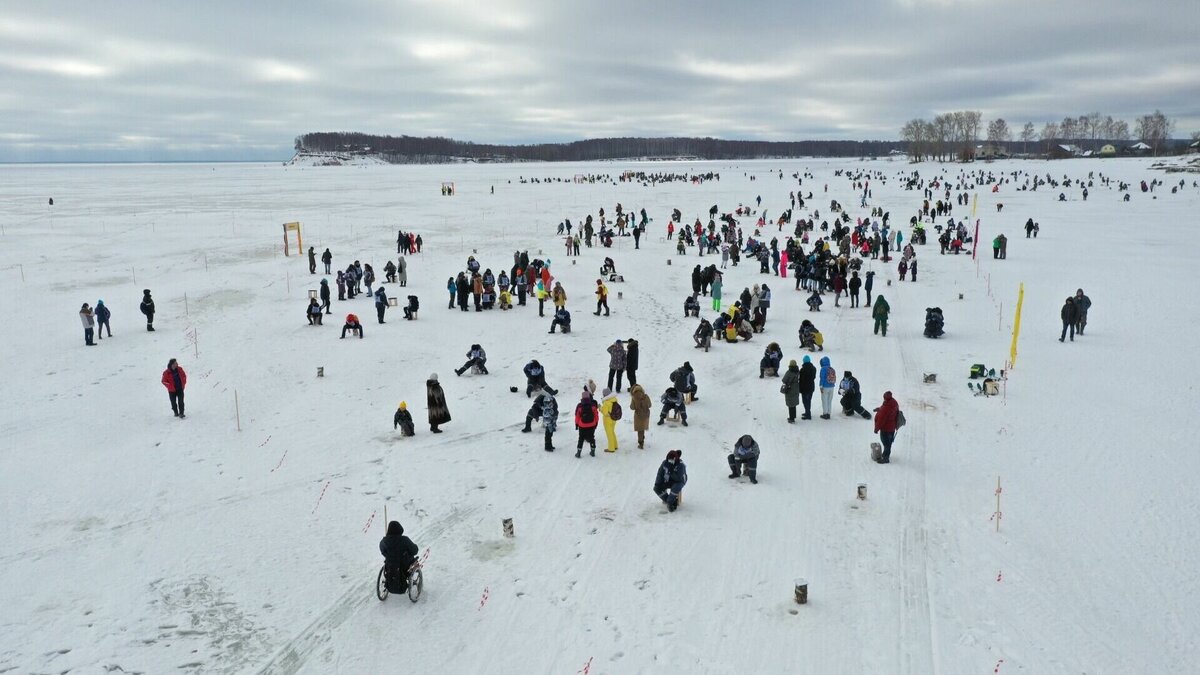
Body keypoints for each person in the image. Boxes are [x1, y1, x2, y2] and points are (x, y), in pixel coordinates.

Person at [379, 521, 419, 592]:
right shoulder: (405, 540)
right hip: (405, 566)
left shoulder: (384, 541)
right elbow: (414, 551)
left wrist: (388, 556)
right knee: (413, 560)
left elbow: (382, 550)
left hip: (390, 565)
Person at [873, 391, 901, 464]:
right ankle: (886, 454)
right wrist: (879, 409)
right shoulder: (893, 402)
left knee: (886, 443)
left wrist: (876, 429)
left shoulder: (887, 406)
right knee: (889, 442)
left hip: (886, 428)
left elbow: (881, 420)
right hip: (892, 428)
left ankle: (886, 458)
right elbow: (887, 410)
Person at [574, 391, 599, 457]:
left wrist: (576, 424)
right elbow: (596, 415)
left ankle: (578, 453)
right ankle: (593, 451)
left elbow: (577, 416)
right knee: (592, 438)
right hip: (592, 424)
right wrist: (596, 423)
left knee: (581, 438)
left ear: (582, 397)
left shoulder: (579, 405)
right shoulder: (593, 405)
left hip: (582, 425)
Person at [629, 384, 652, 449]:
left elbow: (632, 407)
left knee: (640, 429)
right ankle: (642, 437)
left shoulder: (633, 397)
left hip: (638, 415)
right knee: (643, 426)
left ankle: (641, 443)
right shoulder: (646, 396)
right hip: (646, 414)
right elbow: (650, 405)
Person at [600, 387, 620, 452]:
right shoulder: (614, 400)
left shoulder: (606, 403)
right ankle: (615, 445)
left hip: (607, 421)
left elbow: (605, 413)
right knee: (612, 432)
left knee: (609, 434)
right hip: (614, 419)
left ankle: (611, 448)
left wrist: (600, 408)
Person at [798, 355, 817, 420]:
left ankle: (808, 415)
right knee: (808, 400)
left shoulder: (802, 370)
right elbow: (814, 377)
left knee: (805, 401)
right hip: (811, 387)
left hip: (805, 388)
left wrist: (800, 389)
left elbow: (801, 380)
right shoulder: (814, 368)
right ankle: (807, 412)